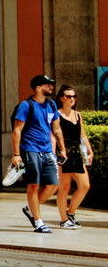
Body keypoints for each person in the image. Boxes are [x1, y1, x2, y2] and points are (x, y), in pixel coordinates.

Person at [13, 74, 65, 233]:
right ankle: (38, 221)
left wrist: (62, 149)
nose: (51, 87)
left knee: (53, 185)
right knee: (33, 185)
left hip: (48, 151)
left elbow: (56, 129)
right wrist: (16, 154)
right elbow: (17, 130)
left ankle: (30, 209)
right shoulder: (26, 105)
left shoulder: (52, 105)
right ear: (38, 87)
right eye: (47, 85)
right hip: (30, 150)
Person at [56, 85, 92, 229]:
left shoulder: (77, 115)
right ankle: (64, 219)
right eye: (69, 96)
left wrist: (90, 151)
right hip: (64, 154)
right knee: (64, 188)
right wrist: (59, 152)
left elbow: (82, 135)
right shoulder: (56, 115)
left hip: (76, 153)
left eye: (74, 96)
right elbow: (56, 135)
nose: (72, 99)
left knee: (85, 185)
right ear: (61, 98)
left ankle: (70, 213)